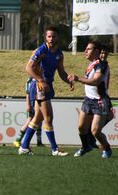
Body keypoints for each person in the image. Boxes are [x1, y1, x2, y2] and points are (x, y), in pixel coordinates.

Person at [18, 26, 73, 156]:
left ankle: (24, 146)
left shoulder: (59, 53)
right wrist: (40, 80)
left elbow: (61, 71)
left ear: (57, 37)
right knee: (48, 117)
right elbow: (29, 68)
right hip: (39, 86)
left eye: (53, 36)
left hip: (46, 85)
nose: (51, 39)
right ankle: (55, 149)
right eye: (49, 36)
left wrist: (68, 80)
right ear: (45, 37)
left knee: (38, 118)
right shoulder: (41, 50)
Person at [68, 41, 113, 158]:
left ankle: (107, 148)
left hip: (99, 101)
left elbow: (96, 81)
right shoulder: (91, 64)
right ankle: (86, 146)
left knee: (95, 131)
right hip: (88, 100)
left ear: (96, 51)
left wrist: (78, 79)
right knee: (81, 128)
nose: (85, 51)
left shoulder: (101, 64)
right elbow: (89, 82)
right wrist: (73, 81)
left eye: (88, 49)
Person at [13, 77, 43, 147]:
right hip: (32, 102)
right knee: (30, 120)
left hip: (39, 101)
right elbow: (27, 94)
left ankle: (39, 142)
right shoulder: (30, 80)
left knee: (40, 120)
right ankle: (17, 140)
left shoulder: (40, 78)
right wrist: (28, 105)